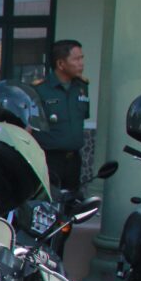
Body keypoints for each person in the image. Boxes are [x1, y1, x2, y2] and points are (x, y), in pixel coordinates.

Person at [32, 39, 90, 190]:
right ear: (61, 64)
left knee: (71, 204)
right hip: (49, 160)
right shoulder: (40, 90)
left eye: (82, 58)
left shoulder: (82, 87)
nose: (81, 63)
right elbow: (29, 127)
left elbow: (80, 120)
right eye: (76, 59)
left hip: (73, 160)